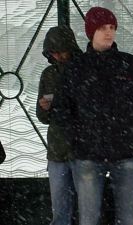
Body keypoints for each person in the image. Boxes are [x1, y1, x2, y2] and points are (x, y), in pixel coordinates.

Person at [52, 7, 133, 225]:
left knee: (127, 219)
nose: (109, 32)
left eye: (112, 27)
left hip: (124, 152)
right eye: (102, 28)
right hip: (88, 155)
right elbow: (62, 108)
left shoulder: (128, 63)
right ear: (91, 32)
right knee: (89, 219)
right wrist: (77, 139)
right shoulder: (76, 68)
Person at [36, 25, 82, 225]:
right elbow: (42, 117)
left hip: (78, 149)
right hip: (60, 150)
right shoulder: (48, 74)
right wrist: (44, 108)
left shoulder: (83, 70)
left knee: (84, 210)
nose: (57, 56)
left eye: (60, 51)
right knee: (62, 211)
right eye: (53, 52)